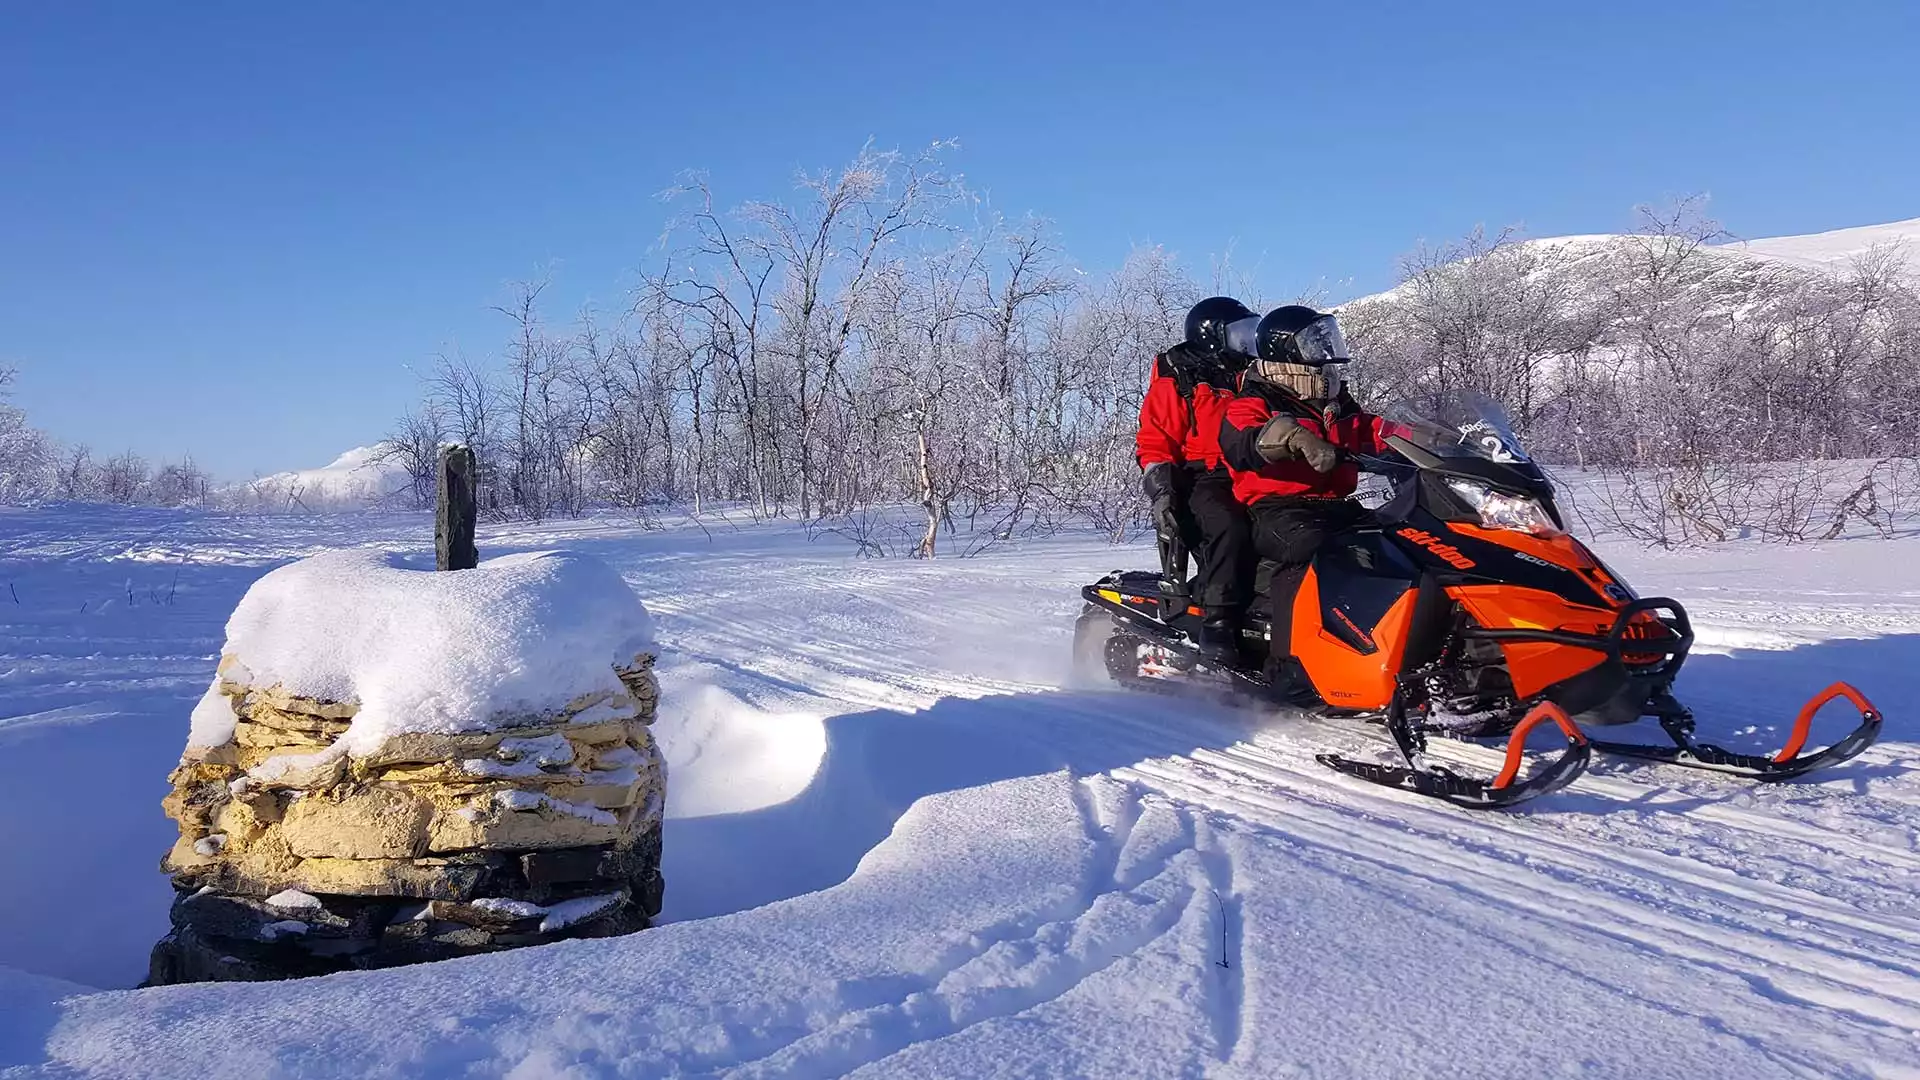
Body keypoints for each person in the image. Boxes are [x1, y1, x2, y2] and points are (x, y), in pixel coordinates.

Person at [1217, 304, 1400, 693]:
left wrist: (1430, 439)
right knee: (1312, 550)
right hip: (1277, 509)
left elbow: (1378, 430)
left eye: (1327, 337)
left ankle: (1379, 648)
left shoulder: (1336, 403)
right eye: (1315, 341)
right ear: (1287, 350)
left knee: (1400, 544)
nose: (1325, 348)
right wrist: (1293, 437)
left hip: (1335, 505)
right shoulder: (1253, 400)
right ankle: (1287, 665)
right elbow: (1243, 439)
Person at [1136, 296, 1258, 662]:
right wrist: (1161, 491)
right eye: (1238, 334)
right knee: (1230, 525)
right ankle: (1217, 622)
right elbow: (1155, 440)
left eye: (1249, 333)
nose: (1246, 342)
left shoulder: (1253, 374)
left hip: (1252, 470)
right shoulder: (1180, 379)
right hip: (1200, 477)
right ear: (1212, 336)